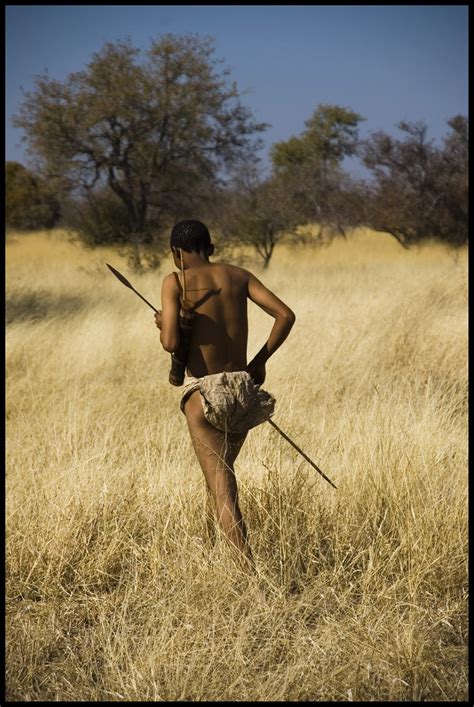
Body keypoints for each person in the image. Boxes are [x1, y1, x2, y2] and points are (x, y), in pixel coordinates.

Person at [155, 220, 295, 573]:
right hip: (243, 390)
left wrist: (163, 322)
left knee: (222, 488)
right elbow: (285, 315)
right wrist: (258, 362)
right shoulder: (238, 275)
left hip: (205, 394)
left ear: (176, 252)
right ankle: (209, 552)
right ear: (209, 247)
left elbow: (171, 344)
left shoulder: (176, 282)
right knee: (219, 475)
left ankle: (250, 577)